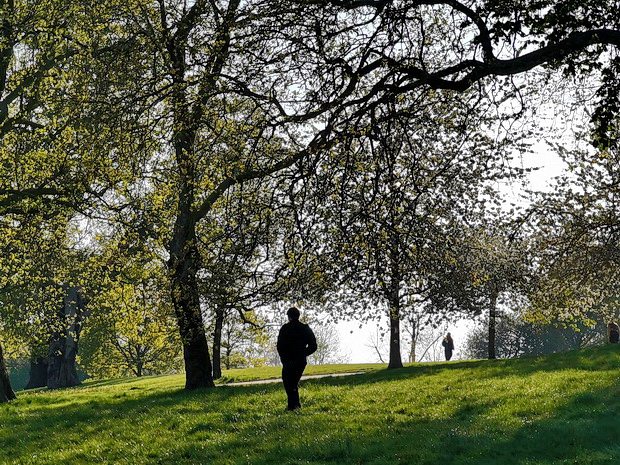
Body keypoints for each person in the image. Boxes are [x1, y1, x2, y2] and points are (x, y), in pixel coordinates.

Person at [276, 307, 317, 411]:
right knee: (293, 382)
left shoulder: (285, 328)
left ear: (288, 316)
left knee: (289, 382)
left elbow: (280, 346)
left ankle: (293, 406)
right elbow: (313, 346)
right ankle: (294, 406)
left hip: (288, 360)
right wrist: (303, 354)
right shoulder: (305, 328)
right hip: (300, 360)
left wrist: (284, 358)